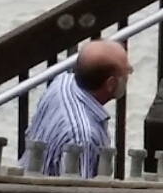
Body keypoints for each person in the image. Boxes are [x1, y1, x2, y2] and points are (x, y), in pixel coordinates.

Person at [19, 39, 130, 176]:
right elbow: (78, 188)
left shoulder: (62, 82)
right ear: (110, 84)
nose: (128, 77)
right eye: (127, 72)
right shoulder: (82, 138)